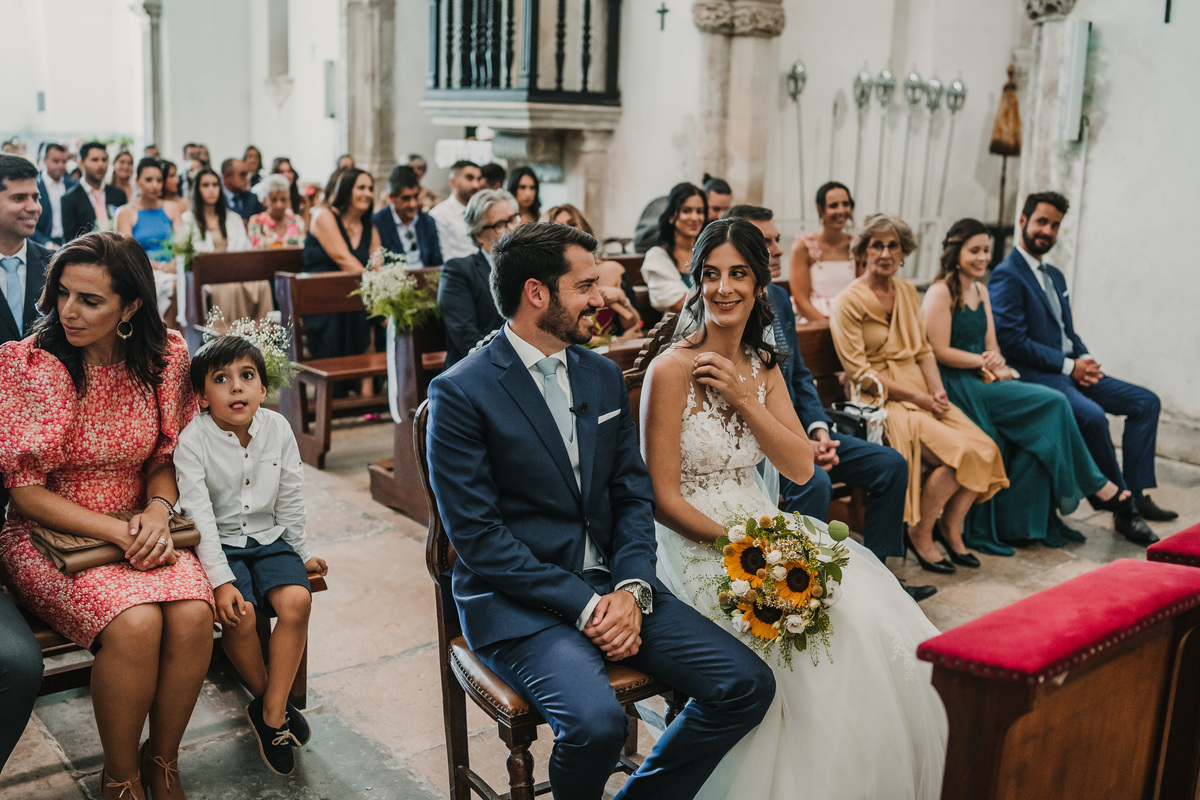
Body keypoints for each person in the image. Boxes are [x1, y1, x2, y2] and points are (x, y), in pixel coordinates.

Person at [426, 221, 776, 800]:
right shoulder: (461, 392)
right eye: (586, 286)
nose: (601, 297)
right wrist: (587, 606)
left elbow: (632, 495)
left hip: (616, 586)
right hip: (520, 605)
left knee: (745, 684)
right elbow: (480, 539)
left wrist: (632, 587)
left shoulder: (601, 374)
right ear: (537, 293)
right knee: (595, 726)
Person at [641, 217, 947, 800]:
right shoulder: (671, 369)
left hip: (764, 527)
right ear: (697, 282)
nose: (723, 288)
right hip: (694, 542)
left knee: (864, 618)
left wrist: (743, 398)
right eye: (711, 275)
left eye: (738, 274)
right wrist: (741, 550)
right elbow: (662, 499)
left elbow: (801, 467)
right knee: (799, 647)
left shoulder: (762, 365)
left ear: (760, 285)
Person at [0, 232, 216, 800]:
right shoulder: (34, 364)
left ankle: (163, 760)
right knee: (136, 624)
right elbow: (26, 494)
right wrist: (119, 532)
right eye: (63, 293)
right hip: (48, 534)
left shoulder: (165, 357)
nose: (68, 311)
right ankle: (119, 776)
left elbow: (166, 457)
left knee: (195, 615)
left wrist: (158, 509)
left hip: (141, 520)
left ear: (131, 306)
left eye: (90, 300)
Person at [724, 205, 925, 600]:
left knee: (889, 465)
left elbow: (800, 376)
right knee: (813, 480)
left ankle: (881, 582)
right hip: (760, 442)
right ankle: (800, 585)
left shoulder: (779, 299)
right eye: (766, 242)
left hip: (805, 431)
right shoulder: (727, 306)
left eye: (777, 240)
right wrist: (802, 445)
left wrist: (818, 430)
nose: (778, 250)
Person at [174, 335, 328, 776]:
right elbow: (199, 516)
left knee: (297, 601)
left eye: (247, 376)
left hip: (269, 537)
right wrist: (221, 581)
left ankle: (270, 710)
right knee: (239, 615)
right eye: (221, 379)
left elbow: (291, 498)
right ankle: (273, 708)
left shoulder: (278, 428)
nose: (237, 387)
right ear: (202, 396)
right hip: (218, 543)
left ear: (263, 388)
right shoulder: (193, 441)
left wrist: (300, 553)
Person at [922, 218, 1123, 555]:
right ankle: (1094, 482)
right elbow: (939, 350)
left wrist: (997, 361)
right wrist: (982, 361)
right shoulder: (940, 292)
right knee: (1054, 403)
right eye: (974, 251)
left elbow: (992, 344)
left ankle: (1020, 526)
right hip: (958, 384)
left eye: (986, 250)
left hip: (985, 378)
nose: (983, 258)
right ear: (956, 253)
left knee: (1037, 441)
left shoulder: (982, 291)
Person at [989, 192, 1174, 543]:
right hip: (1039, 375)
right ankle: (1123, 509)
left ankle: (1137, 492)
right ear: (1023, 221)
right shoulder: (1006, 275)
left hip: (1072, 369)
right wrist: (1068, 365)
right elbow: (1012, 341)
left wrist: (1084, 359)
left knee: (1145, 402)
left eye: (1055, 225)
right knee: (1092, 417)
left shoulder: (1055, 276)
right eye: (1042, 221)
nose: (1048, 231)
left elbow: (1066, 331)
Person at [831, 214, 1008, 573]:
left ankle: (950, 527)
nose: (885, 253)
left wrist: (937, 392)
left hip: (921, 391)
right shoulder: (847, 301)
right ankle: (921, 532)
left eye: (893, 246)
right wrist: (919, 399)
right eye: (876, 245)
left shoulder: (908, 292)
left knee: (986, 449)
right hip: (882, 400)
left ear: (903, 253)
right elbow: (860, 373)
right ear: (863, 251)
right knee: (958, 457)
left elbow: (924, 351)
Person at [301, 167, 380, 361]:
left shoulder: (371, 230)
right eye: (361, 187)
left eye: (370, 188)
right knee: (364, 310)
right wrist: (380, 297)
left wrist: (386, 293)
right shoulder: (323, 216)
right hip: (323, 303)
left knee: (363, 309)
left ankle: (367, 374)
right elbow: (343, 259)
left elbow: (378, 268)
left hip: (356, 301)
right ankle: (359, 375)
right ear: (346, 190)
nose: (368, 193)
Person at [181, 167, 271, 330]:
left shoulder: (232, 218)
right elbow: (190, 254)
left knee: (262, 285)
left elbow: (245, 249)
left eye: (215, 185)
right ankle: (227, 334)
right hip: (208, 277)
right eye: (205, 185)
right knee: (227, 288)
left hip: (236, 272)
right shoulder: (188, 220)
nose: (211, 190)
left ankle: (263, 332)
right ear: (197, 189)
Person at [437, 189, 518, 367]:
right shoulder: (458, 271)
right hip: (477, 368)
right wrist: (514, 363)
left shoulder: (527, 267)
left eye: (513, 219)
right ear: (477, 234)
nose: (511, 228)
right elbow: (466, 337)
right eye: (500, 224)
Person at [546, 204, 642, 339]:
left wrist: (622, 299)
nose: (567, 232)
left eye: (572, 224)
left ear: (585, 229)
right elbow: (564, 336)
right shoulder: (549, 279)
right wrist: (616, 342)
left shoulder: (613, 270)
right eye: (559, 227)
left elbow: (635, 326)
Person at [789, 181, 858, 322]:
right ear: (819, 209)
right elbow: (801, 300)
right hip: (815, 321)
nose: (841, 210)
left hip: (852, 318)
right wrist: (828, 327)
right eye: (833, 205)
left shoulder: (857, 245)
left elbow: (865, 290)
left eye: (845, 204)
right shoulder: (804, 246)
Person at [643, 182, 707, 314]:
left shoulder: (709, 253)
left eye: (699, 211)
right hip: (679, 324)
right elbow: (678, 303)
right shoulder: (657, 257)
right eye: (686, 211)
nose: (695, 217)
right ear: (671, 216)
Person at [115, 158, 182, 268]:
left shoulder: (172, 208)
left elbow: (181, 246)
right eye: (149, 180)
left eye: (159, 180)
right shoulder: (125, 212)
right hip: (142, 271)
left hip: (173, 270)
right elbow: (127, 255)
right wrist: (161, 266)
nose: (155, 185)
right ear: (137, 181)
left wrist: (177, 264)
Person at [373, 165, 442, 267]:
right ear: (391, 198)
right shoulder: (378, 222)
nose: (413, 204)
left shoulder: (428, 221)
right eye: (406, 198)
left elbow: (437, 261)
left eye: (416, 196)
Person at [62, 142, 126, 241]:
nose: (101, 164)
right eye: (95, 160)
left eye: (104, 160)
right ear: (81, 163)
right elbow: (71, 239)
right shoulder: (69, 199)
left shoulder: (119, 194)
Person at [429, 160, 482, 260]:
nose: (476, 185)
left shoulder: (483, 211)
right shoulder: (438, 215)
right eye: (469, 178)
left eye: (478, 179)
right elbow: (442, 256)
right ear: (453, 182)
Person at [32, 142, 77, 249]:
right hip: (44, 243)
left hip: (72, 242)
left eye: (64, 162)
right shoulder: (34, 186)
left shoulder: (73, 185)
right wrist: (48, 244)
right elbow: (29, 224)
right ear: (44, 161)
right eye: (56, 161)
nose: (61, 165)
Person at [248, 174, 306, 249]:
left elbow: (302, 248)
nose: (279, 205)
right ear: (265, 200)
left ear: (288, 199)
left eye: (283, 199)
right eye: (274, 200)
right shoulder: (257, 221)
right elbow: (257, 249)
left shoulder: (297, 221)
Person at [221, 158, 262, 222]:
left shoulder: (252, 199)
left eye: (247, 175)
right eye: (242, 174)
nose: (247, 179)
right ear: (228, 177)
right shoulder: (216, 200)